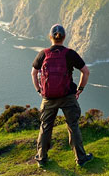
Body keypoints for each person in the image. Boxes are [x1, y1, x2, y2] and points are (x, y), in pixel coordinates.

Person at [31, 24, 93, 168]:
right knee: (73, 126)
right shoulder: (70, 53)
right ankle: (81, 158)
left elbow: (34, 73)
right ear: (64, 37)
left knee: (45, 127)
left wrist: (39, 90)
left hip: (48, 98)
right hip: (68, 96)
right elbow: (86, 72)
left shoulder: (43, 54)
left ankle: (41, 158)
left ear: (50, 37)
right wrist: (80, 89)